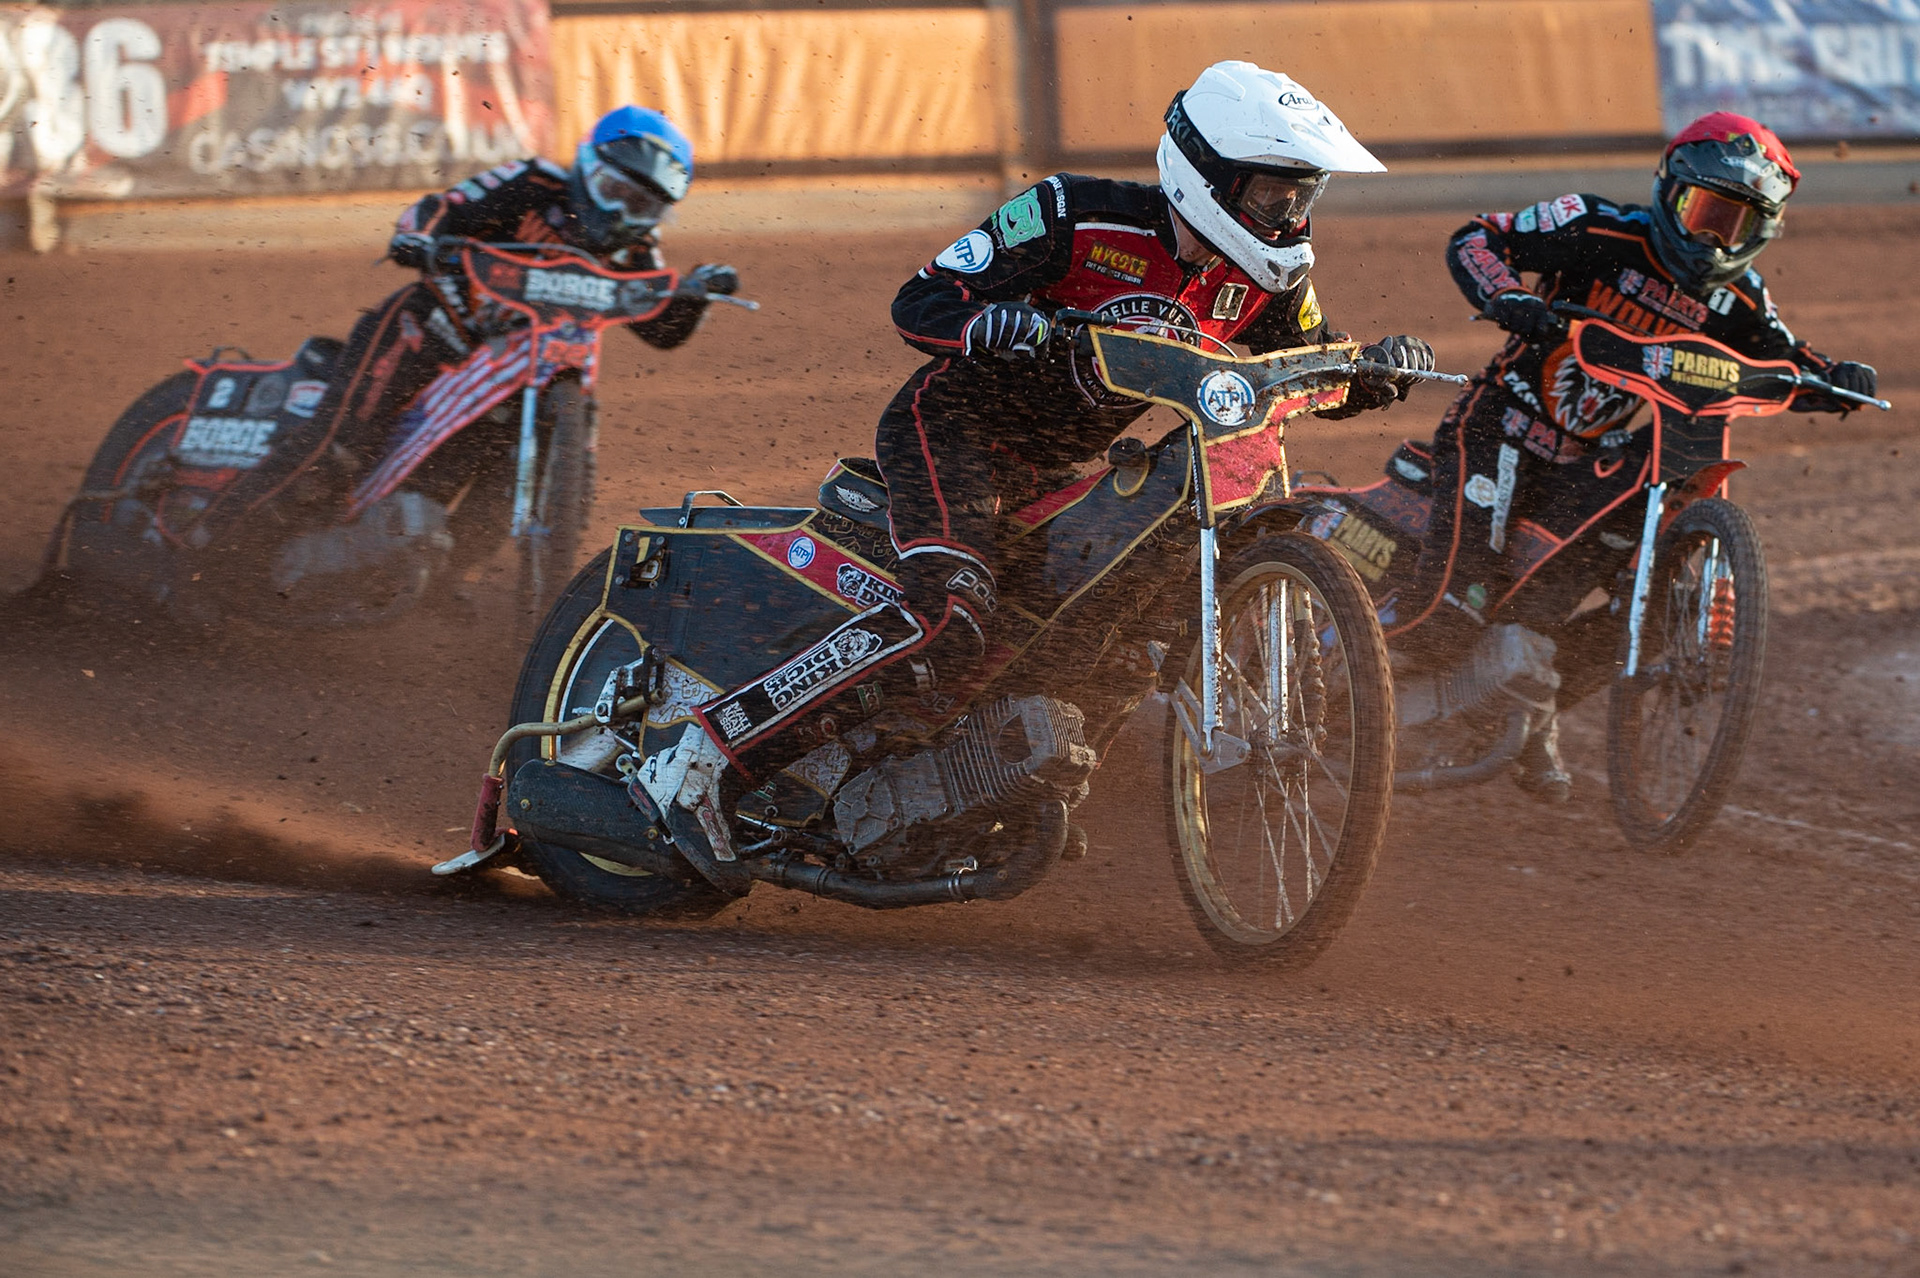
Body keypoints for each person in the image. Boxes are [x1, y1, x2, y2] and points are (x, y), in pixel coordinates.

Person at [636, 61, 1436, 884]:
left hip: (1060, 472)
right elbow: (922, 300)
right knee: (952, 614)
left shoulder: (1263, 281)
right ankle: (707, 752)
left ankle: (983, 788)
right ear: (1209, 177)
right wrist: (993, 322)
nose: (1288, 217)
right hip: (955, 431)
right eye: (1273, 196)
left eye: (1300, 199)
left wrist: (1377, 369)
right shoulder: (1073, 214)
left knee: (1118, 635)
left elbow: (1303, 364)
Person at [1402, 111, 1877, 799]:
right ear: (1669, 189)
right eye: (1705, 211)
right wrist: (1507, 297)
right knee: (1454, 612)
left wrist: (1836, 379)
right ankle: (1342, 696)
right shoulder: (1595, 227)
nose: (1715, 236)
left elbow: (1784, 357)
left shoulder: (1737, 297)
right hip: (1500, 429)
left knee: (1648, 614)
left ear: (1763, 233)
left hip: (1594, 462)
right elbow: (1481, 235)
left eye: (1737, 224)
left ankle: (1528, 710)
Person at [228, 106, 737, 517]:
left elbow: (659, 330)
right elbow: (441, 208)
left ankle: (440, 579)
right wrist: (416, 239)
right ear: (587, 167)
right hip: (429, 328)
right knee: (337, 451)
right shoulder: (533, 183)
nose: (623, 215)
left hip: (515, 376)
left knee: (503, 477)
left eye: (644, 207)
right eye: (615, 193)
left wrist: (694, 298)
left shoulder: (635, 250)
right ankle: (207, 544)